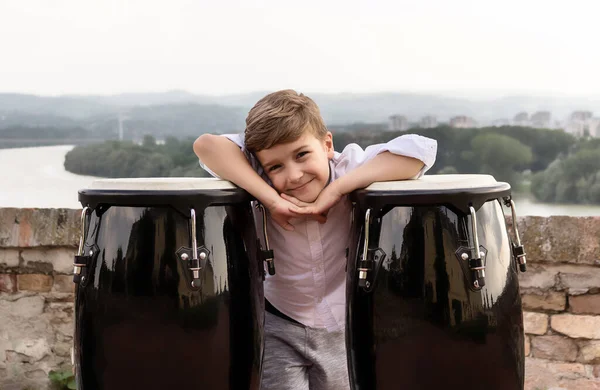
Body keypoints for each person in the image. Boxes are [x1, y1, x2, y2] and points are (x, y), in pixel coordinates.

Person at [193, 89, 437, 390]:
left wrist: (339, 189)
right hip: (279, 323)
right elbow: (205, 145)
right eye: (276, 166)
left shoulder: (348, 167)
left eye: (302, 155)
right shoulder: (260, 174)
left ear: (327, 144)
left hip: (342, 326)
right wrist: (271, 199)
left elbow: (419, 153)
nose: (293, 175)